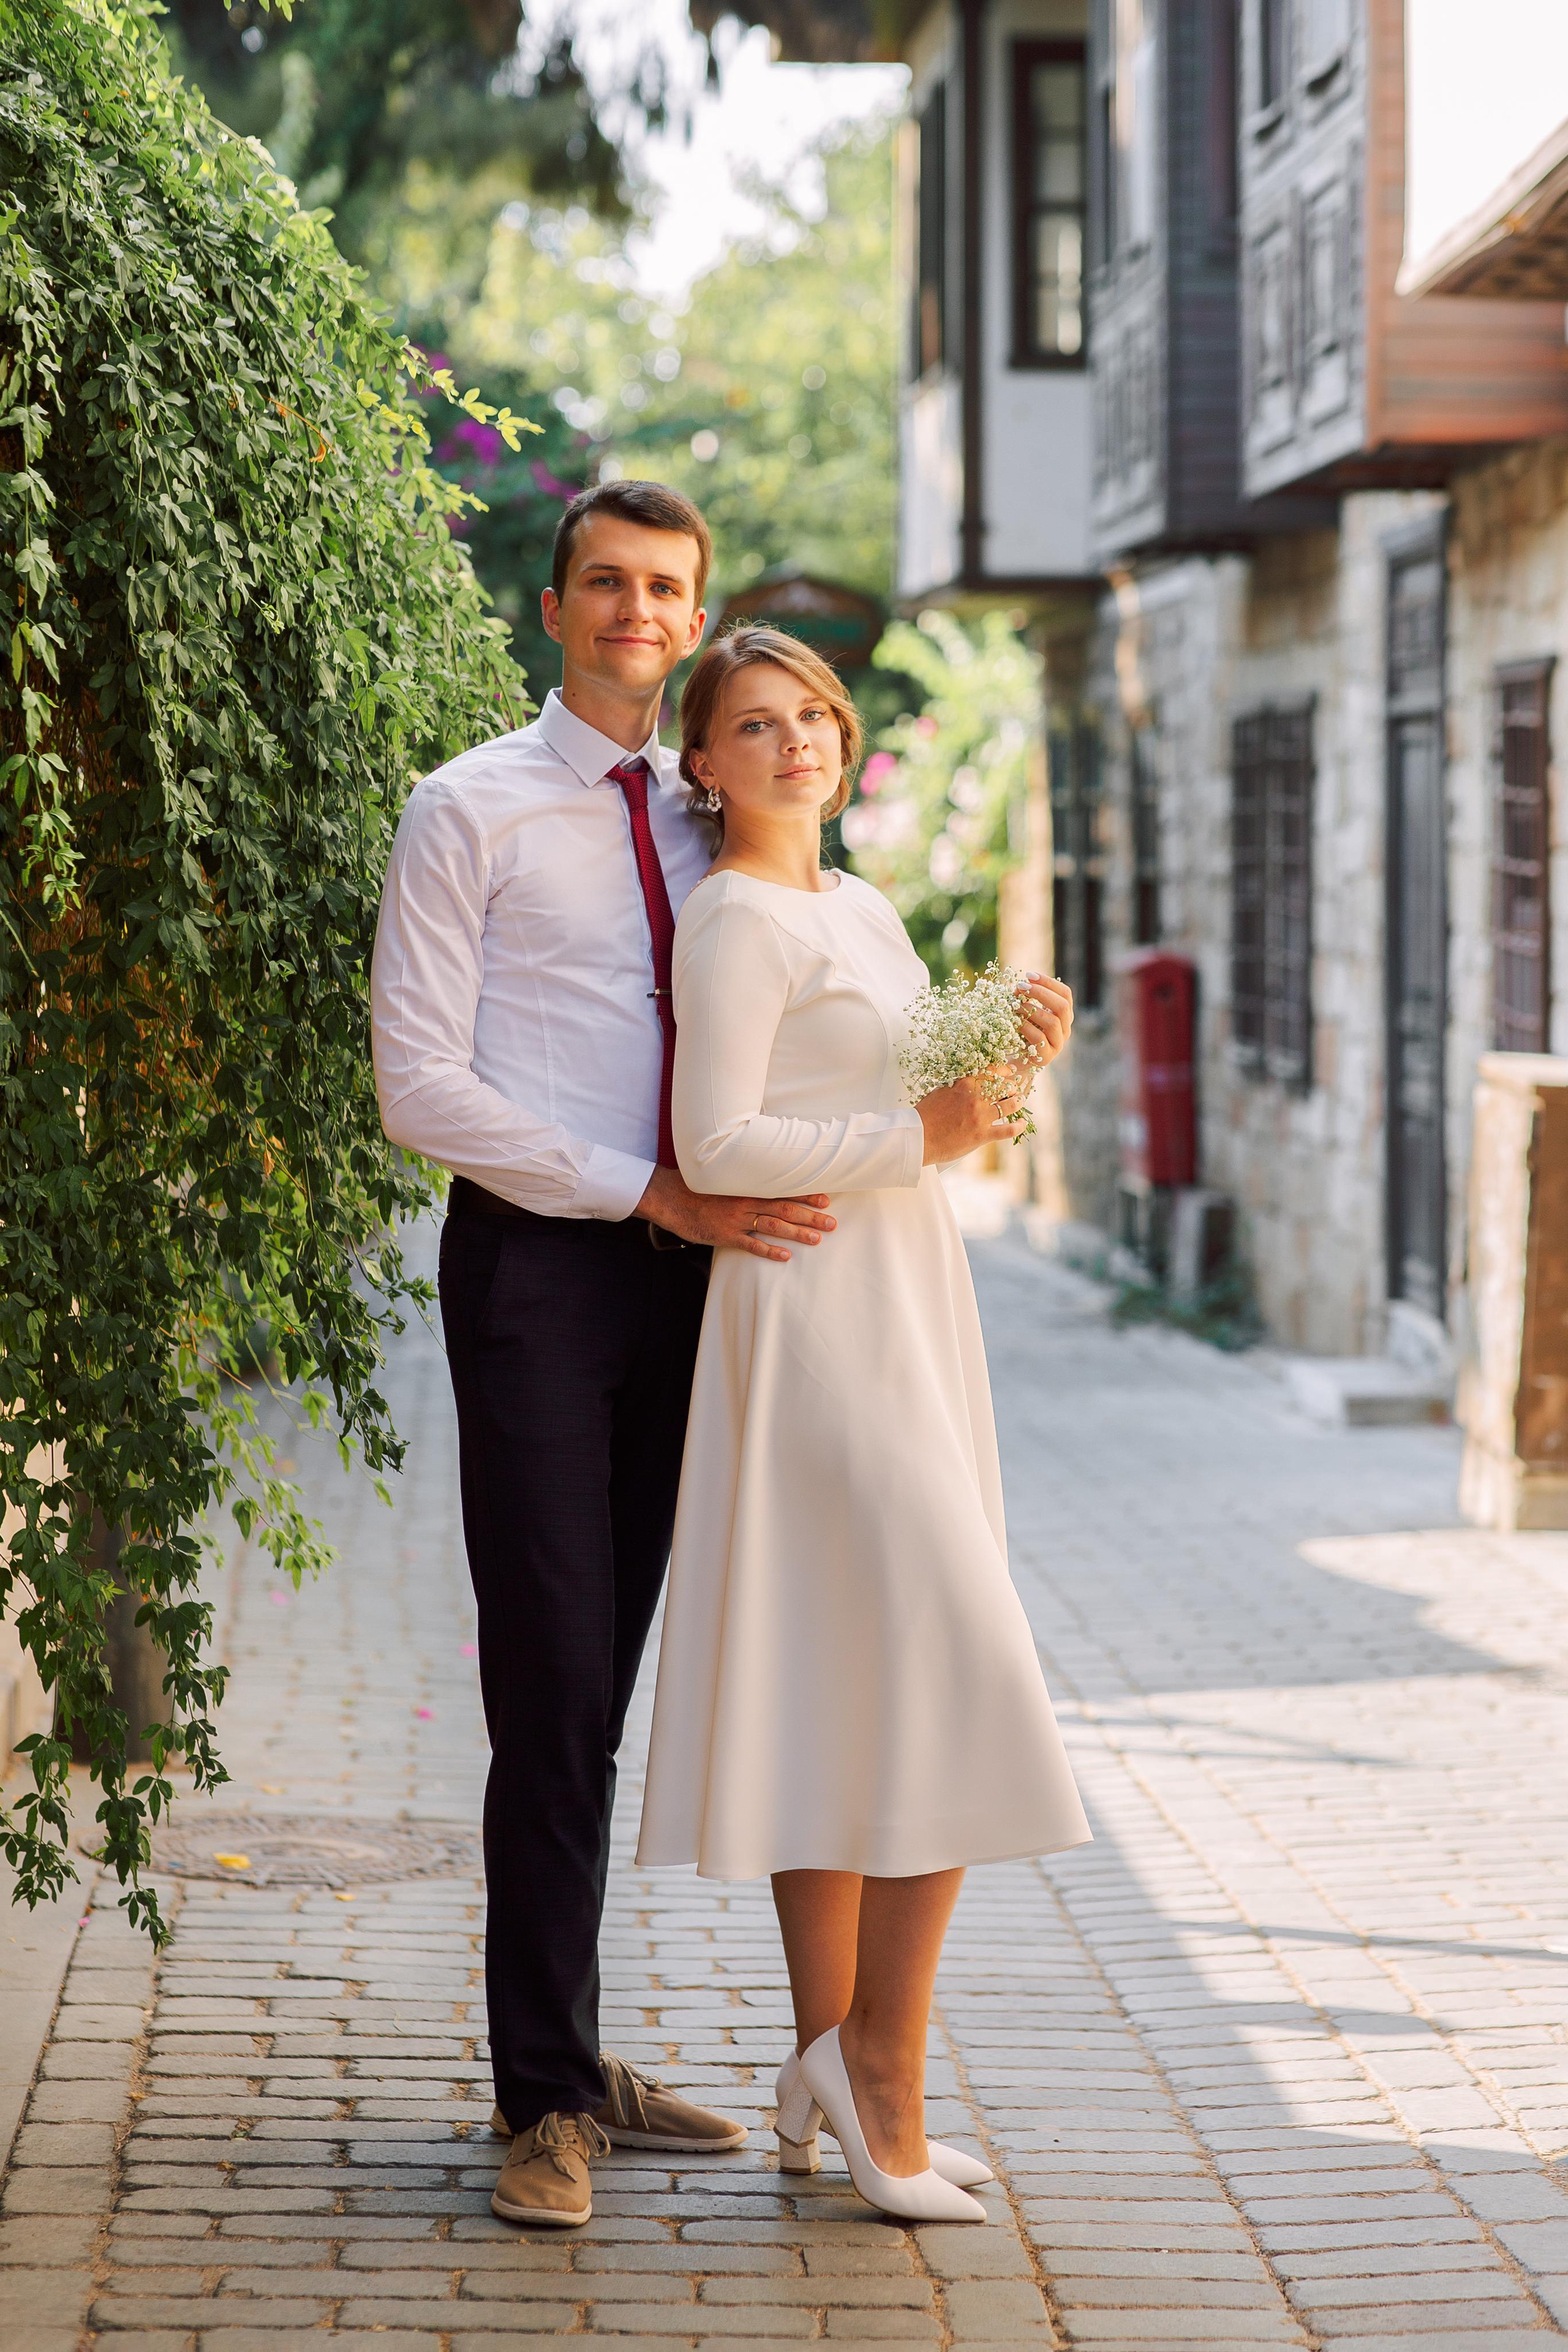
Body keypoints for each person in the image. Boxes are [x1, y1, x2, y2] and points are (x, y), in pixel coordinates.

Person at [371, 484, 839, 2230]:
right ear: (556, 609)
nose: (639, 609)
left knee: (649, 1676)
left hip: (712, 1288)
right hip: (547, 1283)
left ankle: (579, 2050)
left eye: (670, 587)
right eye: (611, 585)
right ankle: (545, 2103)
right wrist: (639, 1187)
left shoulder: (726, 815)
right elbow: (419, 1083)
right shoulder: (468, 811)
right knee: (556, 1688)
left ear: (692, 611)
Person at [636, 626, 1093, 2223]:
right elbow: (720, 1136)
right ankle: (882, 2069)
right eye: (752, 726)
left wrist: (1002, 1057)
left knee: (842, 1685)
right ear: (704, 764)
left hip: (905, 1309)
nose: (793, 742)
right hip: (815, 1320)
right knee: (955, 1662)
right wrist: (926, 1130)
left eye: (811, 716)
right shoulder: (734, 920)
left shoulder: (863, 906)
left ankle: (830, 2058)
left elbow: (900, 1095)